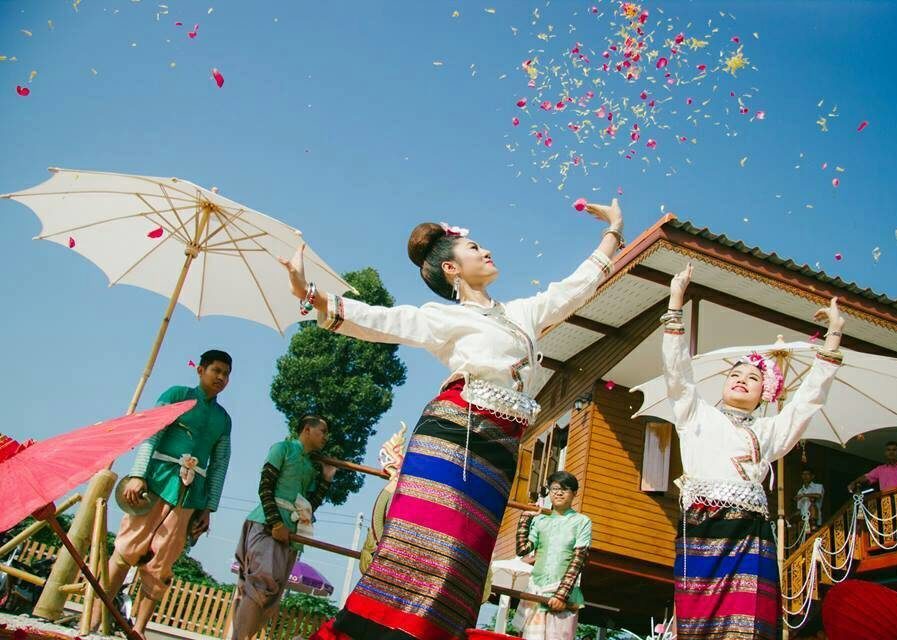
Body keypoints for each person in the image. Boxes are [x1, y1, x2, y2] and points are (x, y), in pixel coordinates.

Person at [281, 200, 625, 640]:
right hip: (451, 437)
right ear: (451, 268)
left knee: (461, 564)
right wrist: (310, 294)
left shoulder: (523, 313)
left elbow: (573, 289)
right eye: (474, 247)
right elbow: (385, 321)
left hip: (500, 452)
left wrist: (613, 232)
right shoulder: (445, 316)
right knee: (424, 551)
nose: (486, 251)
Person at [662, 264, 844, 640]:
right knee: (698, 627)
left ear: (766, 393)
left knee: (750, 625)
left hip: (751, 533)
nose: (742, 380)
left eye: (753, 378)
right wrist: (676, 302)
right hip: (703, 528)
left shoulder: (769, 431)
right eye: (735, 375)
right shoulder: (695, 413)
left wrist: (834, 338)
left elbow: (807, 403)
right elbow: (678, 373)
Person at [93, 350, 233, 635]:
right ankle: (95, 619)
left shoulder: (224, 419)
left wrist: (209, 508)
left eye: (226, 374)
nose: (221, 377)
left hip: (190, 495)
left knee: (162, 562)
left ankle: (139, 630)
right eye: (216, 370)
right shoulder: (177, 394)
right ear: (201, 370)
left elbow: (220, 464)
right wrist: (137, 475)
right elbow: (152, 433)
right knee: (126, 548)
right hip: (155, 482)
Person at [231, 415, 337, 640]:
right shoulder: (282, 448)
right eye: (323, 431)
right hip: (266, 525)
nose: (326, 437)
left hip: (292, 535)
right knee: (261, 586)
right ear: (307, 429)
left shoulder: (311, 466)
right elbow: (265, 487)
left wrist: (326, 480)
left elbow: (308, 507)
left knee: (271, 599)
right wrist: (276, 523)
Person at [514, 471, 592, 640]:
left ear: (574, 493)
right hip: (535, 590)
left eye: (564, 489)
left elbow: (578, 560)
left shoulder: (582, 521)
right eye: (554, 488)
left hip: (563, 597)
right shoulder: (540, 520)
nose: (558, 493)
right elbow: (522, 550)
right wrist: (525, 519)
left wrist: (561, 596)